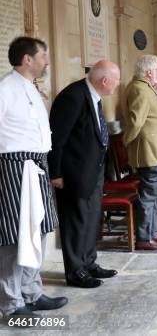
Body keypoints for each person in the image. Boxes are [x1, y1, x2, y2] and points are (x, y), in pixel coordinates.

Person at [0, 36, 67, 317]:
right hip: (14, 168)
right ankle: (10, 304)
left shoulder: (31, 88)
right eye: (43, 56)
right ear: (28, 59)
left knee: (38, 231)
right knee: (16, 236)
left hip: (37, 166)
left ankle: (31, 292)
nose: (46, 62)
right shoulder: (5, 89)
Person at [48, 60, 121, 288]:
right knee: (75, 222)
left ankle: (89, 263)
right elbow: (57, 138)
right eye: (116, 81)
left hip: (92, 171)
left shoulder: (93, 96)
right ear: (105, 80)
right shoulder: (73, 96)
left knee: (90, 220)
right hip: (74, 172)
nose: (117, 86)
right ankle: (75, 271)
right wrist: (56, 172)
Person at [124, 55, 157, 250]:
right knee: (149, 197)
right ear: (149, 72)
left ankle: (153, 233)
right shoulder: (139, 89)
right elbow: (136, 122)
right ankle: (144, 237)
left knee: (155, 196)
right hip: (151, 153)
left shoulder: (146, 88)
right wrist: (126, 143)